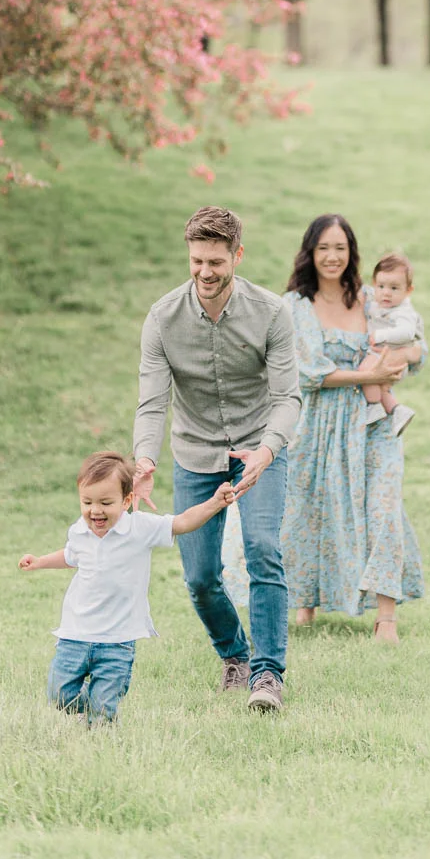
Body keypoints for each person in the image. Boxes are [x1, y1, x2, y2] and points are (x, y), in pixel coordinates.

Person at [132, 206, 301, 713]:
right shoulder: (163, 319)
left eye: (216, 262)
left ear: (237, 256)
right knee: (201, 576)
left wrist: (268, 449)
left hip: (258, 448)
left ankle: (268, 675)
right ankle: (235, 656)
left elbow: (288, 397)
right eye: (197, 261)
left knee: (263, 548)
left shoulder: (271, 313)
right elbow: (151, 401)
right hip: (195, 453)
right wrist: (143, 460)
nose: (206, 272)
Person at [280, 214, 426, 644]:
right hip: (319, 425)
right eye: (323, 247)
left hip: (373, 423)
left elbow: (417, 343)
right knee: (310, 511)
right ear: (310, 252)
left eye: (340, 247)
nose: (332, 256)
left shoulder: (370, 299)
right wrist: (369, 375)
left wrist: (404, 359)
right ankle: (305, 601)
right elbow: (309, 371)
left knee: (384, 508)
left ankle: (386, 618)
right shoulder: (294, 305)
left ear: (351, 253)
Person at [18, 449, 234, 723]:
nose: (95, 511)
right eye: (87, 502)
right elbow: (70, 556)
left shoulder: (139, 529)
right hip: (75, 634)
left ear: (127, 500)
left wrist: (214, 503)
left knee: (104, 709)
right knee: (59, 695)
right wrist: (40, 562)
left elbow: (181, 523)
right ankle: (92, 708)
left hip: (117, 641)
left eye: (106, 503)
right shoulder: (79, 532)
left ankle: (101, 730)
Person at [360, 252, 425, 436]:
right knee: (381, 387)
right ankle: (397, 410)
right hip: (385, 356)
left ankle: (373, 408)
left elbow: (408, 333)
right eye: (381, 286)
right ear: (374, 285)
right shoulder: (376, 303)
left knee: (366, 371)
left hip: (390, 357)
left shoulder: (402, 312)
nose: (386, 292)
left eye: (394, 288)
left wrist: (380, 335)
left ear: (408, 291)